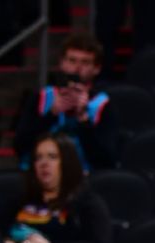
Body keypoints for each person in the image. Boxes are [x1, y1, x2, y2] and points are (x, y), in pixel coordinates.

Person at [6, 134, 112, 243]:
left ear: (67, 162)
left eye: (52, 157)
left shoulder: (87, 203)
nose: (44, 163)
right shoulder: (19, 200)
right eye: (38, 158)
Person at [14, 33, 118, 171]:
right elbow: (20, 147)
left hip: (86, 175)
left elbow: (106, 161)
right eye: (72, 60)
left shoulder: (103, 105)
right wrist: (51, 114)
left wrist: (83, 120)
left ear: (96, 68)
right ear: (62, 63)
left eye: (85, 62)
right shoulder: (41, 98)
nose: (77, 68)